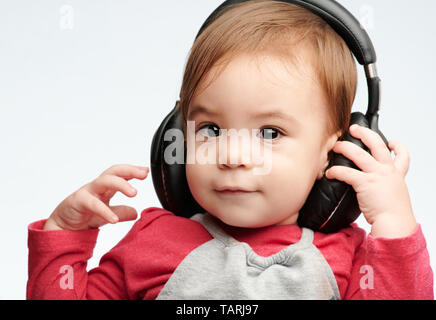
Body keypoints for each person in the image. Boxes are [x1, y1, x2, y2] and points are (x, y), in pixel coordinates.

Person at [27, 0, 433, 299]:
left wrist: (395, 223)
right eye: (211, 128)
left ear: (333, 154)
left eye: (270, 133)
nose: (232, 155)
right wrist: (63, 236)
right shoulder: (151, 241)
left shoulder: (350, 258)